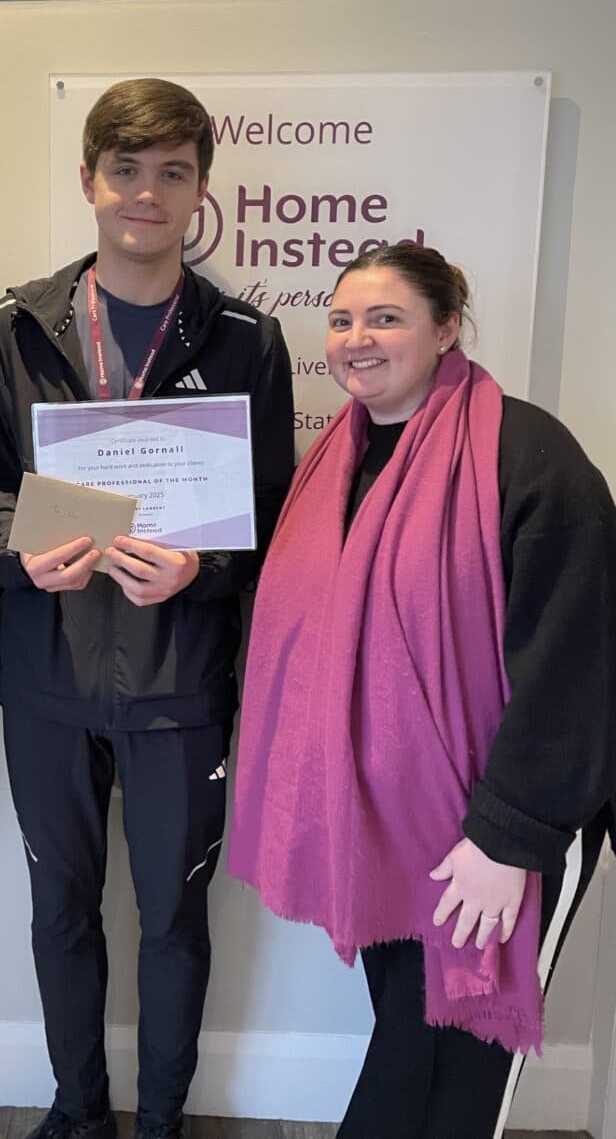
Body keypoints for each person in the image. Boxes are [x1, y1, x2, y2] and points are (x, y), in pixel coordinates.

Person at [229, 242, 616, 1138]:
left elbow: (581, 662)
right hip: (391, 833)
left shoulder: (529, 457)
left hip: (497, 836)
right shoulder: (335, 460)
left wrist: (507, 837)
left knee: (448, 1082)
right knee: (412, 1046)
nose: (357, 338)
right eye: (341, 319)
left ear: (447, 328)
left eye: (386, 317)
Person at [0, 78, 294, 1139]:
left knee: (173, 918)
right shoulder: (14, 324)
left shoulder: (246, 336)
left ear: (201, 188)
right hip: (50, 679)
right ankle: (77, 1115)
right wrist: (29, 564)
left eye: (171, 172)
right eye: (125, 169)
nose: (144, 194)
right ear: (88, 180)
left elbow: (271, 526)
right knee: (59, 910)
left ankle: (158, 1122)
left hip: (179, 683)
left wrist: (198, 577)